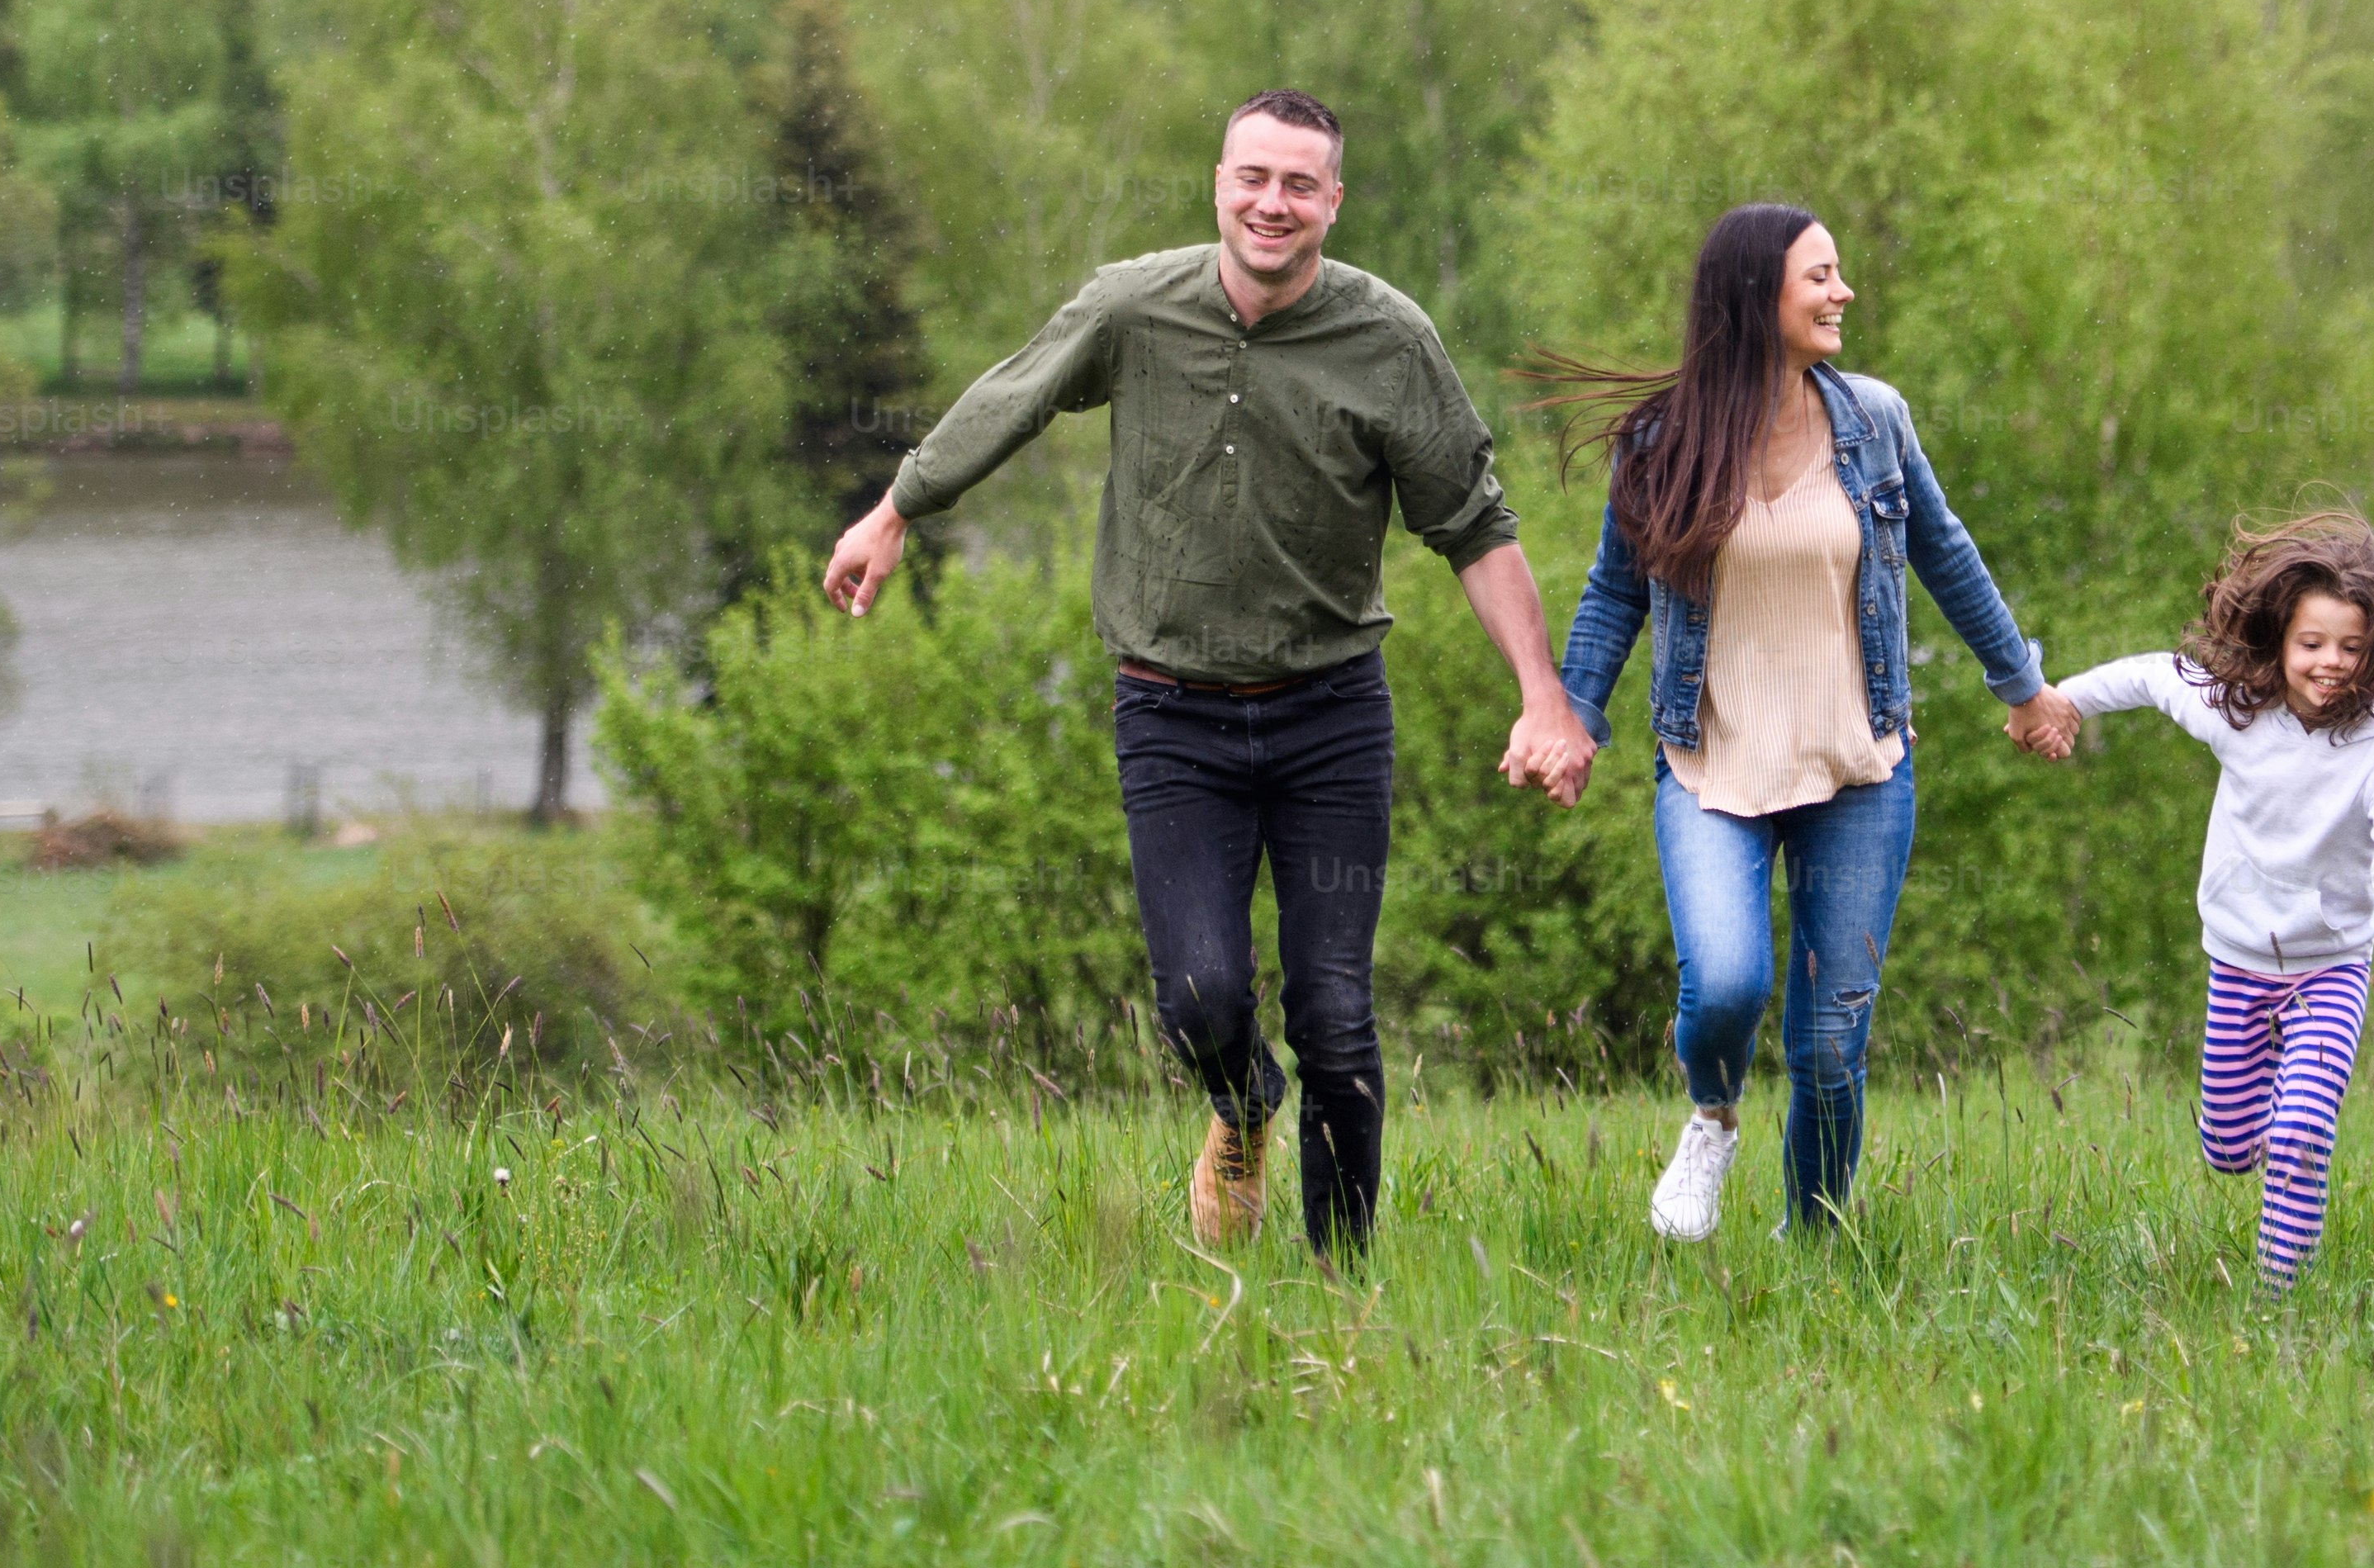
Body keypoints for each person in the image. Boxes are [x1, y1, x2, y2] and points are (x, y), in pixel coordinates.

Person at [820, 90, 1594, 1256]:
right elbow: (1013, 395)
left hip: (1333, 718)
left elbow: (1474, 525)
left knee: (1336, 1018)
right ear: (1219, 183)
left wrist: (1543, 696)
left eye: (1298, 185)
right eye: (1252, 178)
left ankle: (1343, 1290)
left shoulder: (1390, 340)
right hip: (1173, 715)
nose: (1270, 203)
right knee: (1200, 1000)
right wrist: (896, 511)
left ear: (1333, 201)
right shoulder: (1135, 308)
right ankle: (1242, 1107)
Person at [1538, 204, 2068, 1240]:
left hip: (1859, 767)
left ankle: (1813, 1241)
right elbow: (1613, 594)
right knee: (1728, 983)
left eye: (1840, 275)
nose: (1844, 293)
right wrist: (1574, 717)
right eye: (1820, 276)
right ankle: (1713, 1116)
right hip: (1710, 764)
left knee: (1830, 1041)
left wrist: (2025, 685)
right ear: (1755, 297)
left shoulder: (1873, 418)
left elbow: (1946, 554)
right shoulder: (1661, 442)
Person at [2019, 511, 2374, 1290]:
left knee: (2301, 1133)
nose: (2330, 663)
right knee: (2230, 1151)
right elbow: (2149, 675)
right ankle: (2249, 1142)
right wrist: (2061, 701)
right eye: (2312, 644)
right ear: (2280, 640)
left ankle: (2280, 1303)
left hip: (2332, 968)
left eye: (2351, 647)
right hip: (2237, 963)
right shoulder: (2236, 709)